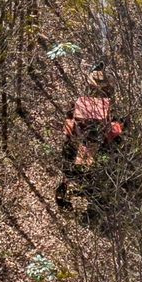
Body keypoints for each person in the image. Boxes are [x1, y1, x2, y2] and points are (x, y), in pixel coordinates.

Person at [55, 65, 126, 214]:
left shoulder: (97, 105)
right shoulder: (83, 106)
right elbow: (71, 118)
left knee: (117, 134)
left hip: (94, 137)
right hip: (88, 137)